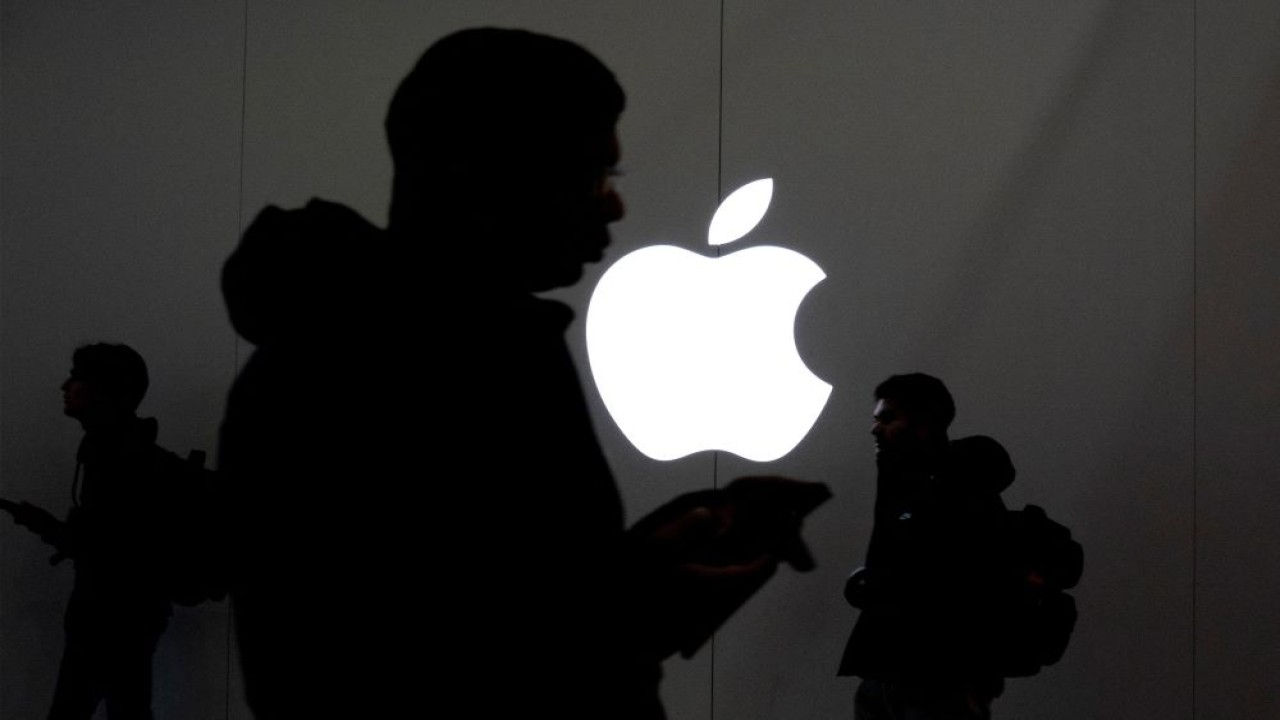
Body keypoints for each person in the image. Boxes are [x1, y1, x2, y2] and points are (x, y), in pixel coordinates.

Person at [219, 27, 824, 720]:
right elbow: (425, 665)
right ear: (490, 174)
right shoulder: (434, 361)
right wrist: (635, 608)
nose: (613, 204)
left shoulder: (357, 345)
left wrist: (638, 575)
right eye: (595, 173)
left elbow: (485, 605)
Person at [1, 343, 172, 720]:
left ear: (103, 390)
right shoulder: (122, 450)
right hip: (126, 620)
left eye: (76, 378)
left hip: (109, 622)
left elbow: (107, 548)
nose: (65, 385)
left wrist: (48, 527)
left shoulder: (115, 456)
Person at [837, 373, 1014, 720]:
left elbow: (969, 586)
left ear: (924, 424)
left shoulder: (963, 489)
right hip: (891, 674)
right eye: (876, 419)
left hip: (938, 680)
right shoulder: (902, 481)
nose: (875, 429)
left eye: (888, 418)